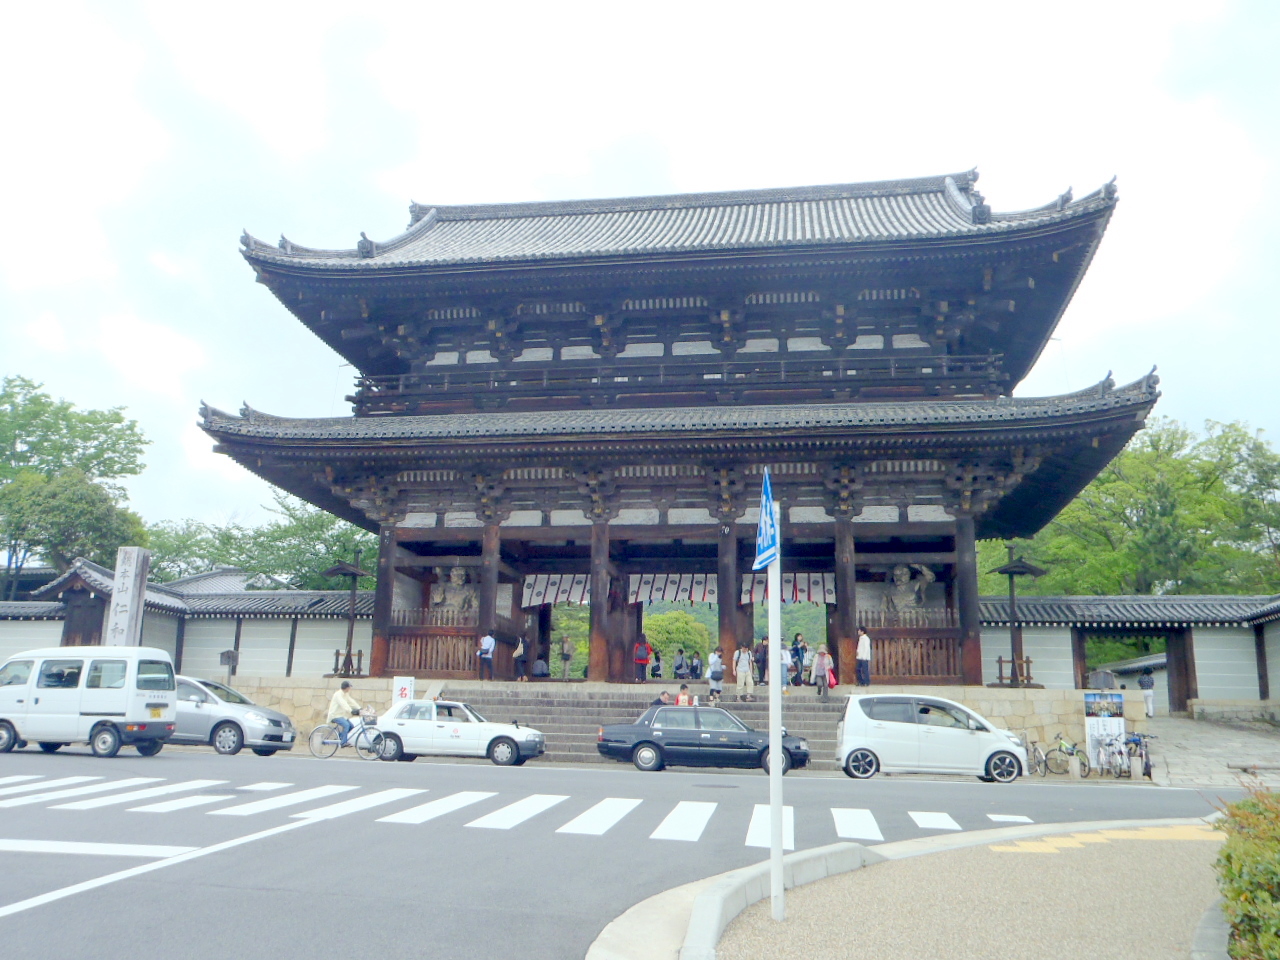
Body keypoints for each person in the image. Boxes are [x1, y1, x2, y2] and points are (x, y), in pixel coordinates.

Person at [327, 680, 361, 747]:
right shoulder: (338, 695)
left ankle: (341, 737)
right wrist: (351, 711)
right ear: (347, 688)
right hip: (335, 716)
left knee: (351, 726)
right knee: (346, 725)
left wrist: (359, 708)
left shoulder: (345, 694)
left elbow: (351, 702)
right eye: (349, 687)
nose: (350, 689)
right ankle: (343, 743)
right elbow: (344, 704)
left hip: (341, 716)